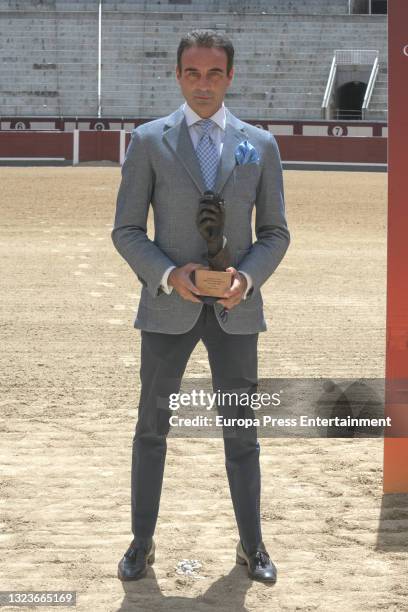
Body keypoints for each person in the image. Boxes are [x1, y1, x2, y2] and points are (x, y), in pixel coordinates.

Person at [111, 29, 290, 584]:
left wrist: (247, 276)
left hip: (237, 310)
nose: (204, 84)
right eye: (193, 73)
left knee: (242, 432)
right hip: (169, 308)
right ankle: (142, 543)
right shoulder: (148, 141)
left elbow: (276, 233)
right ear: (178, 75)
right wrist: (170, 273)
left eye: (215, 74)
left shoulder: (259, 144)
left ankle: (252, 545)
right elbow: (127, 230)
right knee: (152, 429)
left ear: (230, 77)